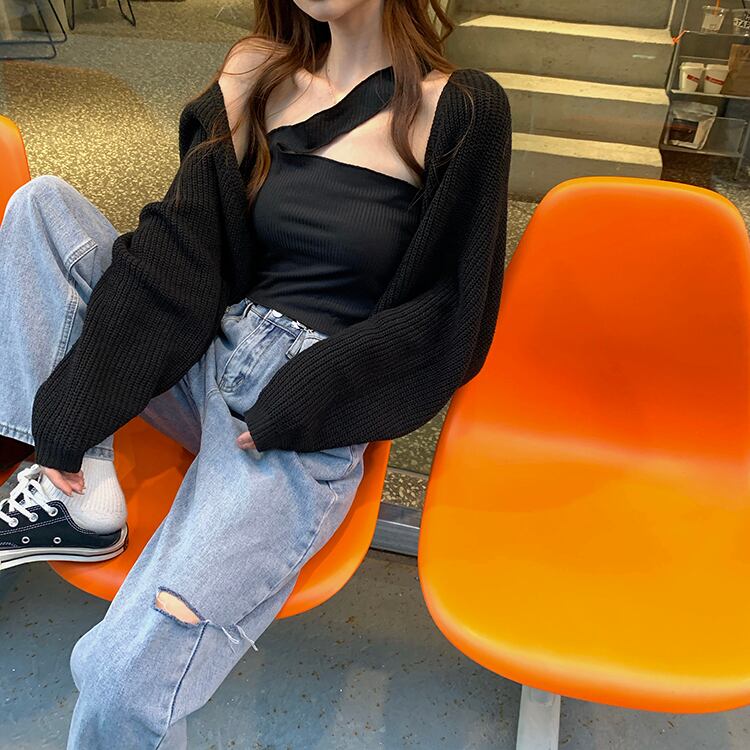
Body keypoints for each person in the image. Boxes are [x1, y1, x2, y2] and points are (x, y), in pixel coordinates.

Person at [0, 0, 512, 744]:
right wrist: (229, 108)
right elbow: (182, 254)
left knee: (119, 678)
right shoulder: (264, 76)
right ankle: (82, 494)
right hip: (208, 349)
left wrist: (309, 394)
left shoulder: (460, 107)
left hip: (294, 414)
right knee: (40, 206)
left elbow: (451, 312)